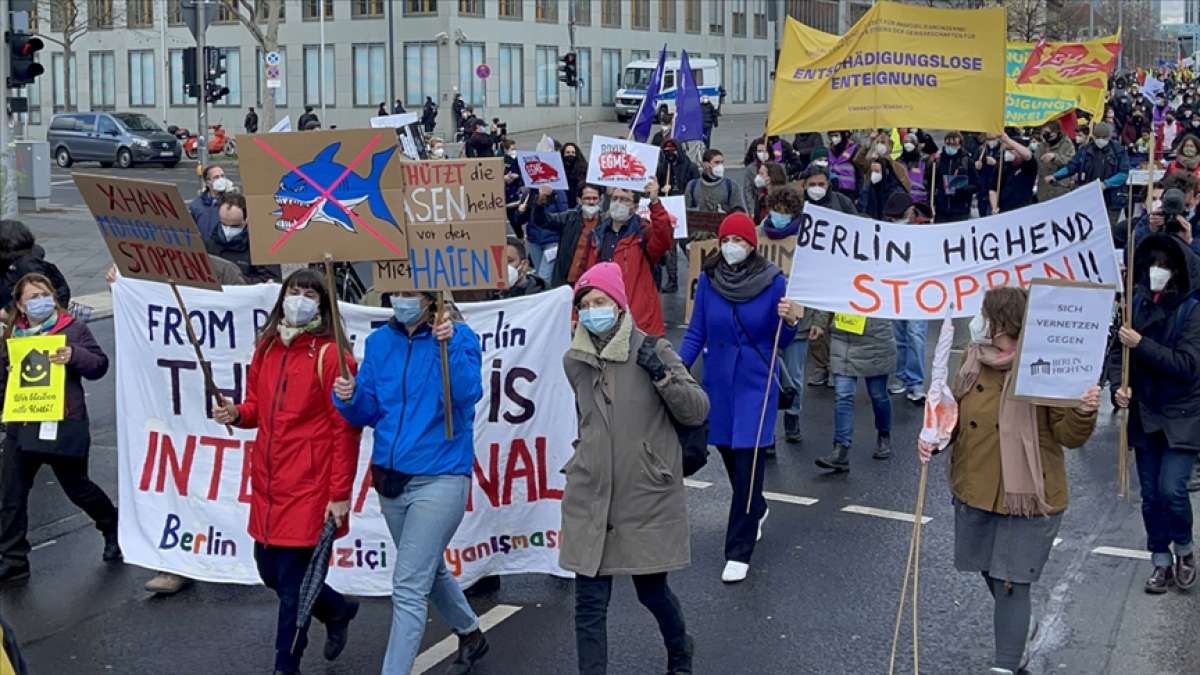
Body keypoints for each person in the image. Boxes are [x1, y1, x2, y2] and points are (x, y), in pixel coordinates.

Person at [920, 286, 1099, 675]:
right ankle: (1019, 623)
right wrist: (933, 439)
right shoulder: (972, 358)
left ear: (1002, 322)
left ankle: (1005, 664)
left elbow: (1069, 435)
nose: (978, 321)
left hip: (1030, 495)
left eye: (984, 314)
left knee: (1010, 583)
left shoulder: (1044, 364)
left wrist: (1083, 411)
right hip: (975, 486)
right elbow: (955, 414)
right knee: (991, 570)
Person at [332, 289, 488, 675]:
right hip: (390, 479)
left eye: (411, 293)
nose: (402, 299)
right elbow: (367, 411)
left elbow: (468, 394)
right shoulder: (379, 342)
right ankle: (471, 634)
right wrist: (348, 398)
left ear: (429, 297)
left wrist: (447, 347)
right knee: (428, 568)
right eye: (397, 292)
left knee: (408, 586)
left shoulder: (460, 337)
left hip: (440, 476)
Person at [213, 270, 362, 675]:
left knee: (295, 588)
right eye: (293, 291)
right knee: (270, 572)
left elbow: (344, 430)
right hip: (269, 483)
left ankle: (286, 666)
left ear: (323, 303)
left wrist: (339, 494)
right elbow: (257, 407)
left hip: (311, 488)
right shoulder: (267, 348)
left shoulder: (333, 357)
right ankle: (336, 608)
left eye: (309, 293)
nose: (299, 298)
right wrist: (236, 413)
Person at [562, 262, 708, 675]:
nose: (593, 311)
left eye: (601, 302)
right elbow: (586, 420)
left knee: (652, 591)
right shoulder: (574, 362)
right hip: (591, 495)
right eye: (586, 304)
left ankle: (680, 648)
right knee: (589, 604)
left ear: (619, 304)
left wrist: (662, 375)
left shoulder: (653, 350)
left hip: (643, 494)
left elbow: (697, 410)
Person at [680, 213, 801, 583]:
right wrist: (675, 370)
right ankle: (757, 507)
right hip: (718, 382)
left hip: (755, 381)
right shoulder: (709, 281)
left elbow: (780, 341)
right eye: (727, 240)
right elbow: (696, 332)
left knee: (749, 458)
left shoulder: (773, 281)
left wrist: (792, 321)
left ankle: (739, 548)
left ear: (752, 245)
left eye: (740, 241)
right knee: (728, 450)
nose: (732, 247)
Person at [0, 273, 120, 585]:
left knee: (77, 487)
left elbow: (99, 366)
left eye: (45, 294)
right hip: (23, 422)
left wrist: (73, 355)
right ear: (20, 305)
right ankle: (14, 560)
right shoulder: (13, 334)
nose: (40, 301)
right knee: (11, 492)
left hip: (63, 421)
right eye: (32, 297)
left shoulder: (72, 328)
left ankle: (111, 526)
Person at [1112, 233, 1200, 594]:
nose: (1157, 272)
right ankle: (1160, 561)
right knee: (1150, 495)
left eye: (1164, 266)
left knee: (1172, 490)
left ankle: (1185, 548)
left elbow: (1186, 364)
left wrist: (1142, 344)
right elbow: (1117, 354)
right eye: (1152, 265)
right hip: (1145, 412)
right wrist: (1120, 386)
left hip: (1182, 415)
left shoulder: (1192, 310)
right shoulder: (1135, 304)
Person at [760, 186, 830, 443]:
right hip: (764, 320)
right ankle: (767, 429)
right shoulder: (759, 235)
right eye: (776, 210)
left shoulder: (807, 240)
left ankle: (792, 416)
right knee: (765, 376)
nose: (779, 216)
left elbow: (821, 282)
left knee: (794, 375)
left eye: (785, 212)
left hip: (799, 321)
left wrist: (819, 320)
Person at [815, 292, 897, 473]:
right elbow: (825, 287)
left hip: (876, 338)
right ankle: (841, 449)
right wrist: (820, 322)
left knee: (878, 395)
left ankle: (884, 434)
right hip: (843, 337)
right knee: (843, 395)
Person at [582, 180, 673, 336]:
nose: (618, 203)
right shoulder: (598, 235)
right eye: (615, 199)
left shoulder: (643, 233)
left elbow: (664, 238)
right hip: (603, 315)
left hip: (638, 318)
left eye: (624, 200)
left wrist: (655, 202)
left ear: (635, 207)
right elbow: (586, 277)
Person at [881, 193, 928, 404]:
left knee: (916, 335)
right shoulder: (885, 232)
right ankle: (900, 377)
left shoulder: (924, 229)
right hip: (896, 291)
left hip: (919, 293)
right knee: (898, 336)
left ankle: (916, 382)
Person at [1048, 122, 1129, 228]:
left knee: (1109, 229)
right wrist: (1056, 176)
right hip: (1090, 199)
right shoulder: (1085, 150)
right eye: (1098, 137)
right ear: (1093, 137)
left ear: (1109, 137)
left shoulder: (1119, 151)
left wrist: (1105, 184)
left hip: (1111, 200)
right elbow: (1072, 166)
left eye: (1103, 137)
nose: (1100, 140)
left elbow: (1123, 173)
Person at [530, 184, 604, 288]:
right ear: (579, 200)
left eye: (595, 198)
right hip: (566, 281)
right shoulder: (569, 218)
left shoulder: (606, 224)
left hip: (593, 282)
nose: (591, 202)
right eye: (587, 198)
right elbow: (542, 220)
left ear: (600, 200)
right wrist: (540, 202)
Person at [204, 192, 281, 284]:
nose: (227, 230)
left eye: (235, 226)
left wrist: (236, 280)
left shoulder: (261, 246)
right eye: (224, 224)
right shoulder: (209, 243)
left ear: (247, 219)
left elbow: (272, 280)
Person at [0, 220, 70, 313]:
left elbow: (36, 296)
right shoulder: (9, 262)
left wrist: (6, 311)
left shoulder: (27, 265)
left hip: (31, 318)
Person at [684, 149, 747, 214]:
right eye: (716, 162)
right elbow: (685, 212)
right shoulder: (692, 186)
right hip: (699, 223)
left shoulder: (731, 186)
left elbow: (740, 212)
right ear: (705, 165)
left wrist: (726, 214)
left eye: (722, 162)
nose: (720, 166)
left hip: (723, 223)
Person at [934, 132, 978, 223]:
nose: (951, 147)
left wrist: (961, 189)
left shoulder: (967, 161)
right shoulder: (938, 161)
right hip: (941, 211)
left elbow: (976, 185)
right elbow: (933, 183)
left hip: (960, 211)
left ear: (960, 145)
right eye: (948, 144)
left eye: (954, 144)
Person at [989, 131, 1036, 214]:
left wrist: (1008, 140)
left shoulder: (1029, 166)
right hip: (1004, 210)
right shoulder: (1002, 165)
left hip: (1023, 210)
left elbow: (1028, 155)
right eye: (1006, 150)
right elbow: (993, 189)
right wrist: (994, 207)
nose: (1008, 152)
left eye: (1011, 150)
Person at [1035, 121, 1076, 203]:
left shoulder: (1067, 144)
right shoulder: (1041, 146)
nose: (1045, 135)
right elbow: (1036, 162)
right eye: (1043, 132)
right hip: (1044, 189)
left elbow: (1071, 163)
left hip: (1060, 187)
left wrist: (1055, 157)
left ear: (1056, 132)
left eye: (1048, 133)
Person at [189, 165, 233, 241]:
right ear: (208, 182)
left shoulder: (233, 203)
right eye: (216, 177)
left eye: (222, 176)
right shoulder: (196, 205)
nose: (221, 179)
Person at [828, 130, 860, 202]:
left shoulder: (853, 149)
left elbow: (858, 172)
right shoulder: (830, 150)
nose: (834, 138)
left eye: (836, 135)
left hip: (848, 189)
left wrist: (857, 192)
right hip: (834, 186)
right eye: (832, 136)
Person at [562, 142, 589, 207]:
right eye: (567, 152)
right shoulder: (560, 169)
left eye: (573, 152)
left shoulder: (583, 169)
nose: (570, 154)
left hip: (578, 202)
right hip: (564, 201)